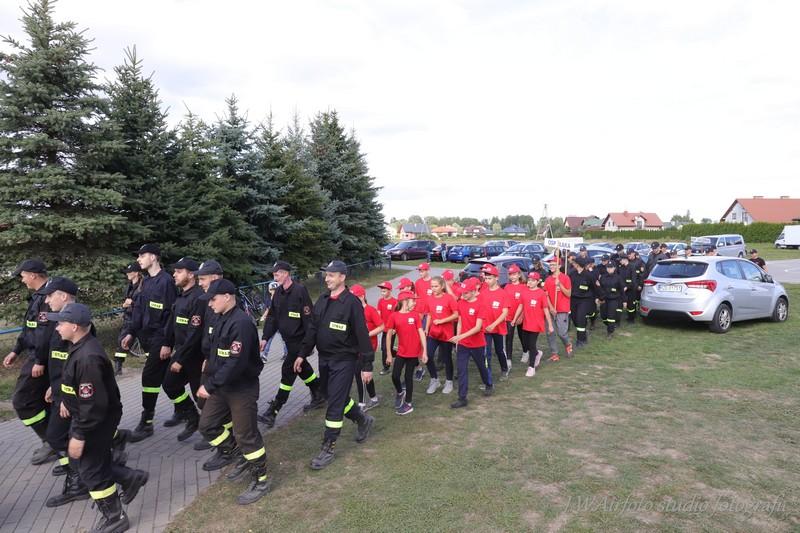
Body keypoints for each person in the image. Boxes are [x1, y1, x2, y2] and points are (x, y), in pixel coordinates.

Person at [50, 302, 149, 531]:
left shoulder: (88, 357)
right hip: (88, 418)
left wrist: (79, 435)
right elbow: (76, 386)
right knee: (87, 463)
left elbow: (93, 404)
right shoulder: (79, 347)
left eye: (61, 323)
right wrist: (65, 398)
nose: (57, 327)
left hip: (94, 421)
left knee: (91, 471)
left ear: (74, 326)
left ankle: (116, 517)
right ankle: (129, 478)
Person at [196, 279, 271, 504]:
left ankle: (261, 479)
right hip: (222, 387)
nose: (210, 304)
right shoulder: (220, 318)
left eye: (213, 299)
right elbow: (217, 353)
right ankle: (239, 454)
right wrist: (208, 371)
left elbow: (235, 363)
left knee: (246, 434)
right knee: (207, 425)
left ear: (227, 297)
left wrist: (209, 385)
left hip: (241, 388)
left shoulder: (241, 323)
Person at [298, 261, 375, 470]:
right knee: (329, 394)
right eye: (326, 275)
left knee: (334, 404)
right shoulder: (323, 300)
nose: (327, 279)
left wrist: (367, 365)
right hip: (324, 359)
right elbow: (312, 329)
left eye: (331, 275)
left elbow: (362, 335)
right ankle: (362, 419)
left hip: (344, 360)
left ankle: (328, 446)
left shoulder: (352, 303)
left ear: (342, 277)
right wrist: (302, 354)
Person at [39, 277, 90, 507]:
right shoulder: (61, 321)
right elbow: (61, 360)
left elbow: (76, 365)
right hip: (61, 388)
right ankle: (78, 478)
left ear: (63, 296)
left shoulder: (74, 322)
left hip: (70, 395)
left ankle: (82, 481)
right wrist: (54, 384)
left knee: (57, 436)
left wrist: (66, 396)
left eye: (50, 295)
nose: (47, 300)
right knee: (61, 437)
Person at [258, 261, 325, 429]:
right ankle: (319, 392)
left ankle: (274, 410)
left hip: (300, 341)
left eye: (277, 274)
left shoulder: (300, 291)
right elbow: (272, 317)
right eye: (274, 275)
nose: (275, 278)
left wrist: (306, 348)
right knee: (302, 369)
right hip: (288, 341)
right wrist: (265, 338)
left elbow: (309, 321)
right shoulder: (278, 293)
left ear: (286, 273)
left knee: (288, 371)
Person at [121, 243, 177, 442]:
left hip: (160, 338)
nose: (138, 259)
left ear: (153, 257)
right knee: (168, 380)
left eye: (142, 256)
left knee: (149, 378)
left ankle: (147, 423)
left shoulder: (166, 281)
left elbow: (171, 315)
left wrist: (167, 343)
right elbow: (138, 311)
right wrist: (130, 333)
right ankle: (186, 411)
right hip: (145, 337)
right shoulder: (145, 283)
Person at [3, 259, 57, 465]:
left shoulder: (48, 297)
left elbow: (47, 333)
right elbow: (29, 329)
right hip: (36, 356)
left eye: (23, 276)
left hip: (42, 359)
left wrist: (40, 361)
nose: (22, 279)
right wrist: (16, 350)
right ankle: (55, 440)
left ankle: (51, 442)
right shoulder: (38, 297)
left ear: (33, 275)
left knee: (22, 401)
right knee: (43, 401)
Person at [161, 257, 205, 442]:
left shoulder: (198, 298)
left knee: (201, 396)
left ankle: (213, 431)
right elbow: (173, 323)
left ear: (191, 275)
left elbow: (195, 334)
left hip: (195, 356)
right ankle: (192, 417)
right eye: (175, 271)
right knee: (170, 385)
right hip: (180, 352)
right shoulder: (181, 297)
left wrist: (180, 359)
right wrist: (167, 343)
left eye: (179, 272)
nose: (174, 274)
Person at [449, 277, 493, 408]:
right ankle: (462, 398)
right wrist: (458, 339)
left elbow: (478, 328)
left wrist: (460, 336)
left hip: (477, 345)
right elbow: (460, 322)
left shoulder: (481, 305)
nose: (463, 295)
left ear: (474, 291)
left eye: (466, 293)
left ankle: (488, 384)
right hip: (463, 344)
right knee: (461, 370)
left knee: (482, 367)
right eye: (462, 293)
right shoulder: (461, 303)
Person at [385, 291, 428, 415]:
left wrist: (424, 351)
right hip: (401, 351)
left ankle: (408, 404)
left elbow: (421, 333)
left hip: (413, 352)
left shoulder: (415, 316)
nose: (415, 303)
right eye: (413, 300)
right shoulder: (394, 316)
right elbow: (388, 336)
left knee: (408, 377)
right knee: (395, 376)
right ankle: (400, 392)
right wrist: (389, 354)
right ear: (405, 301)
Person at [512, 272, 552, 377]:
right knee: (526, 344)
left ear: (538, 282)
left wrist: (550, 325)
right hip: (526, 322)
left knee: (531, 344)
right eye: (529, 280)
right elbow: (520, 306)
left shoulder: (541, 293)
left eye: (533, 280)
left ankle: (531, 367)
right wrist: (515, 318)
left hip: (536, 323)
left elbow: (546, 309)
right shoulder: (524, 292)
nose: (530, 282)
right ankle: (537, 353)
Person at [424, 276, 458, 394]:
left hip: (446, 334)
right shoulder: (429, 298)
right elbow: (429, 314)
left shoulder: (449, 298)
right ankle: (434, 380)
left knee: (447, 358)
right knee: (428, 356)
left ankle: (449, 382)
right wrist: (426, 328)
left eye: (436, 286)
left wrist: (442, 321)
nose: (433, 288)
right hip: (433, 333)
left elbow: (456, 315)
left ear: (442, 286)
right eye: (432, 286)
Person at [350, 284, 382, 411]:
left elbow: (381, 326)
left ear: (362, 296)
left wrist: (366, 335)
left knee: (360, 374)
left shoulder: (370, 310)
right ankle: (374, 398)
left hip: (368, 347)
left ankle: (362, 404)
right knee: (364, 373)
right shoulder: (352, 311)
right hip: (355, 347)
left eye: (355, 297)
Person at [479, 264, 510, 382]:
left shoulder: (503, 293)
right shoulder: (483, 293)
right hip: (485, 328)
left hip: (497, 328)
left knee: (499, 350)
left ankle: (504, 369)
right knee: (486, 354)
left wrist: (494, 325)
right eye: (486, 278)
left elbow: (505, 313)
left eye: (490, 278)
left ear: (496, 278)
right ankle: (488, 378)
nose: (487, 281)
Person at [114, 262, 143, 376]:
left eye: (129, 272)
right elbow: (126, 302)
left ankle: (154, 364)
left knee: (147, 344)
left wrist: (132, 303)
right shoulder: (129, 286)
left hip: (140, 320)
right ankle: (118, 367)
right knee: (122, 342)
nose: (127, 274)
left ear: (136, 273)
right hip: (129, 319)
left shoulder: (143, 286)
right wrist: (125, 305)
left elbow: (143, 303)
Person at [544, 258, 573, 362]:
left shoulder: (565, 278)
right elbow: (546, 295)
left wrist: (559, 285)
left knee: (561, 332)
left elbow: (568, 294)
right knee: (550, 332)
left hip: (562, 309)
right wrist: (551, 307)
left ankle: (568, 344)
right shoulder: (548, 279)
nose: (551, 266)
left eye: (553, 264)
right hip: (550, 309)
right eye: (550, 265)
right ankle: (554, 353)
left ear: (559, 266)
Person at [503, 264, 529, 364]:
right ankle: (508, 358)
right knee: (509, 337)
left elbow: (526, 303)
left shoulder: (524, 287)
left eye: (514, 274)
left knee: (522, 336)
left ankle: (525, 352)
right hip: (509, 316)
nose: (512, 277)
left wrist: (521, 315)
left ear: (519, 275)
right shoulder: (507, 287)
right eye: (510, 274)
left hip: (520, 316)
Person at [568, 256, 595, 349]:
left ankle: (581, 340)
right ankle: (583, 332)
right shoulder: (571, 274)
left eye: (575, 263)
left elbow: (594, 288)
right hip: (573, 300)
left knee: (580, 319)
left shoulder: (589, 275)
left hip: (584, 300)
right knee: (574, 318)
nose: (573, 264)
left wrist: (600, 297)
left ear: (578, 264)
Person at [413, 265, 433, 382]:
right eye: (419, 270)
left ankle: (428, 358)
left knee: (427, 337)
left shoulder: (433, 282)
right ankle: (420, 366)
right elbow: (416, 297)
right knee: (418, 338)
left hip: (430, 314)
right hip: (420, 313)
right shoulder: (418, 282)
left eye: (422, 270)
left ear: (427, 270)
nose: (420, 272)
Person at [596, 261, 626, 338]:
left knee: (611, 315)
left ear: (614, 268)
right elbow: (599, 288)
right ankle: (610, 325)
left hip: (614, 299)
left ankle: (610, 332)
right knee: (603, 316)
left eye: (611, 267)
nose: (609, 269)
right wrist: (597, 298)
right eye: (608, 267)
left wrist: (624, 301)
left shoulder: (618, 278)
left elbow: (622, 290)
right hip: (604, 299)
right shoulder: (603, 277)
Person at [376, 281, 397, 375]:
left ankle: (386, 367)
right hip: (384, 329)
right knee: (384, 348)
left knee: (385, 349)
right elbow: (378, 314)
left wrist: (395, 329)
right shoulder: (380, 301)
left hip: (391, 330)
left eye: (384, 291)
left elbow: (396, 316)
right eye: (381, 291)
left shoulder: (394, 302)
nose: (382, 293)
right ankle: (397, 354)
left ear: (390, 291)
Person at [617, 255, 639, 324]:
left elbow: (634, 280)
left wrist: (627, 287)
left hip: (630, 290)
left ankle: (631, 319)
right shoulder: (620, 268)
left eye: (621, 260)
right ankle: (618, 320)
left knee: (631, 305)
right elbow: (619, 278)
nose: (620, 261)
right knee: (620, 304)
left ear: (625, 259)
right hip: (622, 289)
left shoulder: (632, 267)